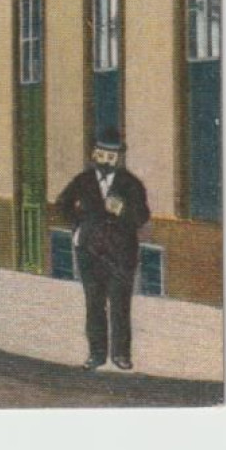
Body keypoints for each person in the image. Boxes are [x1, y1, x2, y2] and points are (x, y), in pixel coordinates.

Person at [55, 130, 150, 371]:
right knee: (94, 304)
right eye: (103, 154)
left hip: (121, 254)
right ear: (94, 154)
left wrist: (121, 210)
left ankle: (121, 355)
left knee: (120, 305)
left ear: (118, 158)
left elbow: (141, 217)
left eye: (112, 155)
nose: (107, 160)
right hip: (90, 252)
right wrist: (79, 225)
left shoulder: (130, 183)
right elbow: (62, 204)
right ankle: (96, 354)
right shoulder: (83, 180)